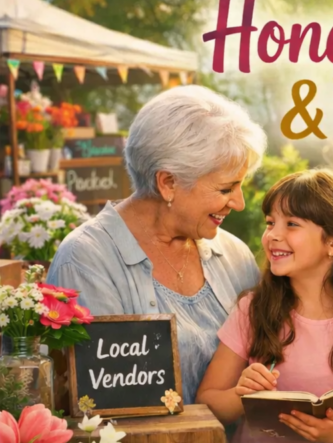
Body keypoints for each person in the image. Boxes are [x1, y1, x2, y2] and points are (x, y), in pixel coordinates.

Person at [47, 86, 267, 404]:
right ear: (168, 183)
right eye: (226, 188)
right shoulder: (85, 260)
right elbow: (108, 406)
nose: (240, 202)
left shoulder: (234, 255)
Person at [196, 169, 333, 443]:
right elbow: (208, 401)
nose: (273, 235)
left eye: (292, 224)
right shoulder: (253, 310)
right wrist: (240, 395)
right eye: (271, 222)